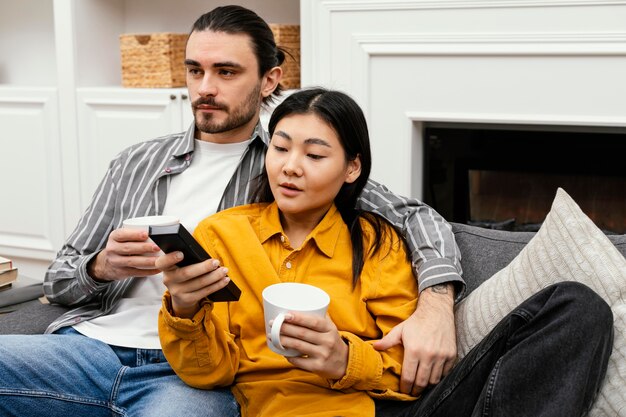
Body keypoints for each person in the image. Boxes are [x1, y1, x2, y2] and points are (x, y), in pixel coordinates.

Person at [0, 5, 461, 416]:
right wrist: (101, 267)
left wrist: (437, 306)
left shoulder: (285, 164)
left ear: (269, 80)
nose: (205, 88)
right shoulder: (136, 162)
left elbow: (415, 216)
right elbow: (58, 281)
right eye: (194, 70)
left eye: (225, 72)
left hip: (191, 369)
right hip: (92, 347)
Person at [157, 87, 614, 417]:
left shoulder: (378, 243)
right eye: (280, 149)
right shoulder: (222, 236)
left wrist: (344, 360)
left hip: (388, 409)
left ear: (352, 169)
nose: (291, 167)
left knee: (577, 305)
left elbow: (412, 370)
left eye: (315, 156)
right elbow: (209, 373)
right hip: (279, 407)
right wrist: (183, 306)